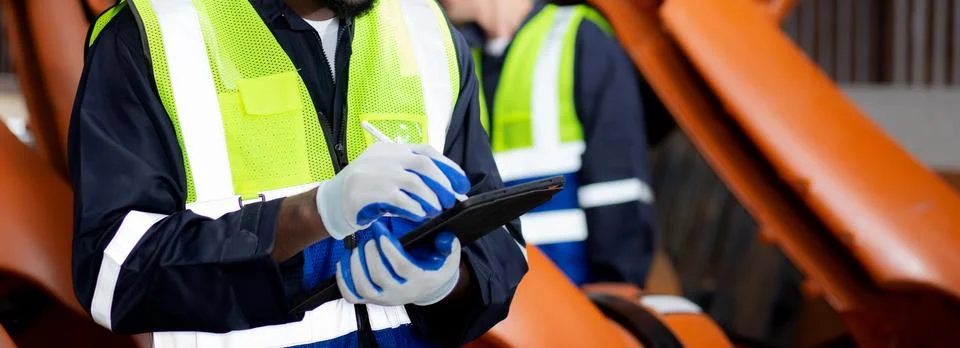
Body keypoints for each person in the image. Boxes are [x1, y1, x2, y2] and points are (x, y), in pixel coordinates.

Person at [69, 0, 527, 346]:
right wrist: (315, 215)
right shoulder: (148, 35)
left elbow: (501, 246)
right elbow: (114, 275)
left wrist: (446, 282)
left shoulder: (425, 28)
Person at [439, 0, 655, 287]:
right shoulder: (460, 58)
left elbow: (618, 182)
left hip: (576, 293)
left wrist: (616, 282)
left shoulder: (579, 36)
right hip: (501, 303)